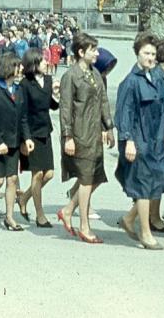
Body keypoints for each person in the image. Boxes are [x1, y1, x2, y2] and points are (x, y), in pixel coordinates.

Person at [114, 33, 164, 249]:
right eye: (146, 53)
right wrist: (128, 140)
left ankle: (129, 219)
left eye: (153, 54)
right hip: (138, 141)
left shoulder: (157, 78)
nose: (150, 57)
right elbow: (124, 114)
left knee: (154, 183)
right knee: (143, 186)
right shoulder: (130, 82)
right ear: (137, 54)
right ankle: (145, 233)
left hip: (156, 139)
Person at [58, 32, 114, 243]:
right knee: (86, 178)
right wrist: (68, 136)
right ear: (81, 52)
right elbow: (65, 109)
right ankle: (84, 226)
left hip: (94, 135)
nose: (97, 54)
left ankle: (67, 209)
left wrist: (108, 127)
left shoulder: (96, 74)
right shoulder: (70, 76)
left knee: (96, 178)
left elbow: (103, 102)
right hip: (79, 134)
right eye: (93, 50)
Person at [0, 54, 32, 231]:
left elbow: (23, 117)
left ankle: (9, 217)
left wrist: (27, 138)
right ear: (9, 67)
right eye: (17, 66)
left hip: (14, 142)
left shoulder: (19, 90)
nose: (20, 70)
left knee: (12, 179)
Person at [17, 48, 60, 228]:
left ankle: (24, 198)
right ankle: (40, 214)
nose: (46, 63)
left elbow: (52, 106)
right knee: (37, 174)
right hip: (31, 133)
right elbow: (23, 114)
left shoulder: (49, 80)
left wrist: (56, 94)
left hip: (45, 131)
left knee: (49, 174)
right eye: (43, 61)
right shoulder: (25, 85)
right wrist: (26, 138)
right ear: (33, 64)